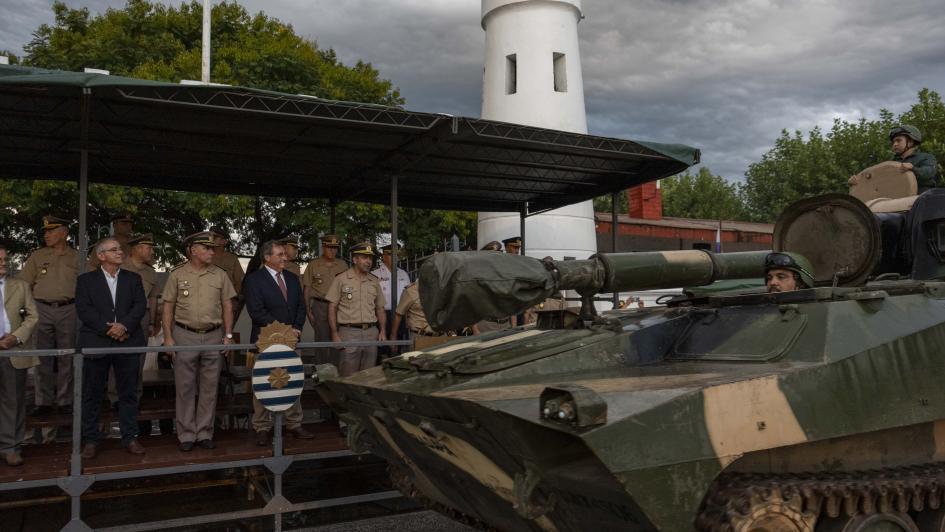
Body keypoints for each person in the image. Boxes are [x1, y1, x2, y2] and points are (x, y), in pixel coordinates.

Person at [162, 231, 236, 452]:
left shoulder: (220, 275)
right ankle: (186, 434)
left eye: (212, 248)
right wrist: (168, 337)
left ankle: (204, 431)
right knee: (184, 387)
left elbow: (228, 307)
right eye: (207, 248)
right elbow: (167, 307)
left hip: (214, 335)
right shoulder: (176, 274)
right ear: (193, 250)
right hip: (184, 335)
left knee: (209, 387)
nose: (212, 252)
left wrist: (229, 336)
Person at [75, 237, 147, 459]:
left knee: (128, 393)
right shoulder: (86, 280)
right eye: (114, 249)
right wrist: (109, 329)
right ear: (101, 256)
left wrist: (124, 325)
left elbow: (140, 305)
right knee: (92, 394)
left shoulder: (133, 278)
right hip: (97, 342)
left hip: (128, 340)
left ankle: (130, 437)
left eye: (120, 248)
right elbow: (84, 310)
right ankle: (90, 440)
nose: (120, 252)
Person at [243, 240, 314, 446]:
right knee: (264, 383)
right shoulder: (254, 280)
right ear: (267, 257)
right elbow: (256, 311)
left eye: (284, 254)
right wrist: (283, 330)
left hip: (292, 340)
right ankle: (262, 427)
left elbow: (300, 306)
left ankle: (294, 424)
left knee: (292, 380)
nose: (285, 257)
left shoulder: (292, 278)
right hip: (265, 340)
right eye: (280, 254)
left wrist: (297, 328)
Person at [18, 215, 78, 417]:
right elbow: (23, 285)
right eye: (46, 231)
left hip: (69, 308)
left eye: (52, 231)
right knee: (41, 356)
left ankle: (65, 400)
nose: (47, 235)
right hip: (41, 308)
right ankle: (42, 401)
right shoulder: (37, 256)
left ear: (64, 233)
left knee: (67, 356)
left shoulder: (77, 257)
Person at [108, 234, 160, 436]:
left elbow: (154, 298)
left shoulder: (150, 272)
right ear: (136, 248)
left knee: (138, 358)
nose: (152, 251)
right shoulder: (121, 266)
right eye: (148, 247)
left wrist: (153, 321)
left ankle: (134, 397)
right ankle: (115, 398)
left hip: (143, 316)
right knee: (117, 356)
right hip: (120, 316)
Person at [0, 244, 39, 467]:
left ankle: (10, 447)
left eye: (5, 259)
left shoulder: (21, 286)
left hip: (14, 350)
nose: (4, 263)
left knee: (13, 402)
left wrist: (15, 337)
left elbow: (33, 317)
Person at [326, 242, 386, 376]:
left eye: (370, 258)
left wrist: (382, 331)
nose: (368, 261)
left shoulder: (374, 281)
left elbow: (380, 308)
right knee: (348, 373)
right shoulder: (341, 279)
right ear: (354, 259)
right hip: (348, 333)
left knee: (369, 374)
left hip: (371, 332)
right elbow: (332, 307)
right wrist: (334, 333)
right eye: (364, 258)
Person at [302, 234, 347, 365]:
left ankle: (335, 372)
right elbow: (307, 289)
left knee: (338, 339)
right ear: (323, 247)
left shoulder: (342, 265)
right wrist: (308, 311)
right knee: (321, 340)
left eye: (335, 248)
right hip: (320, 305)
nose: (333, 251)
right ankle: (321, 373)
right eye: (330, 247)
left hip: (339, 307)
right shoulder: (313, 264)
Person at [371, 244, 410, 357]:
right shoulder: (375, 274)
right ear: (384, 256)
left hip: (400, 314)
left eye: (396, 255)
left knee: (397, 348)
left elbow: (408, 296)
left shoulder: (403, 274)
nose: (394, 257)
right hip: (382, 314)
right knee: (381, 348)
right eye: (390, 254)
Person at [208, 226, 245, 320]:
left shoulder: (232, 258)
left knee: (226, 331)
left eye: (216, 237)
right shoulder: (204, 257)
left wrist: (232, 299)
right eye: (211, 237)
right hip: (207, 303)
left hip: (228, 304)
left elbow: (238, 281)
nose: (212, 239)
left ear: (224, 242)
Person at [391, 280, 442, 346]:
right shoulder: (411, 291)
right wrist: (393, 336)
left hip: (441, 337)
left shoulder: (442, 289)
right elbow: (398, 314)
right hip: (420, 337)